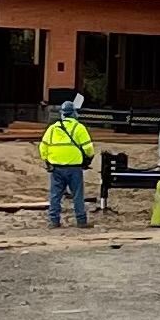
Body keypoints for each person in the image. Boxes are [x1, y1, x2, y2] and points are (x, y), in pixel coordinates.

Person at [40, 97, 94, 229]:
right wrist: (88, 158)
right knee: (77, 195)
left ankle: (54, 221)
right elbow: (88, 149)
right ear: (74, 113)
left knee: (55, 195)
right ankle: (81, 221)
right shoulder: (79, 128)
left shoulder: (52, 129)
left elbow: (43, 147)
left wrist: (47, 160)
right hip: (74, 168)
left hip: (56, 168)